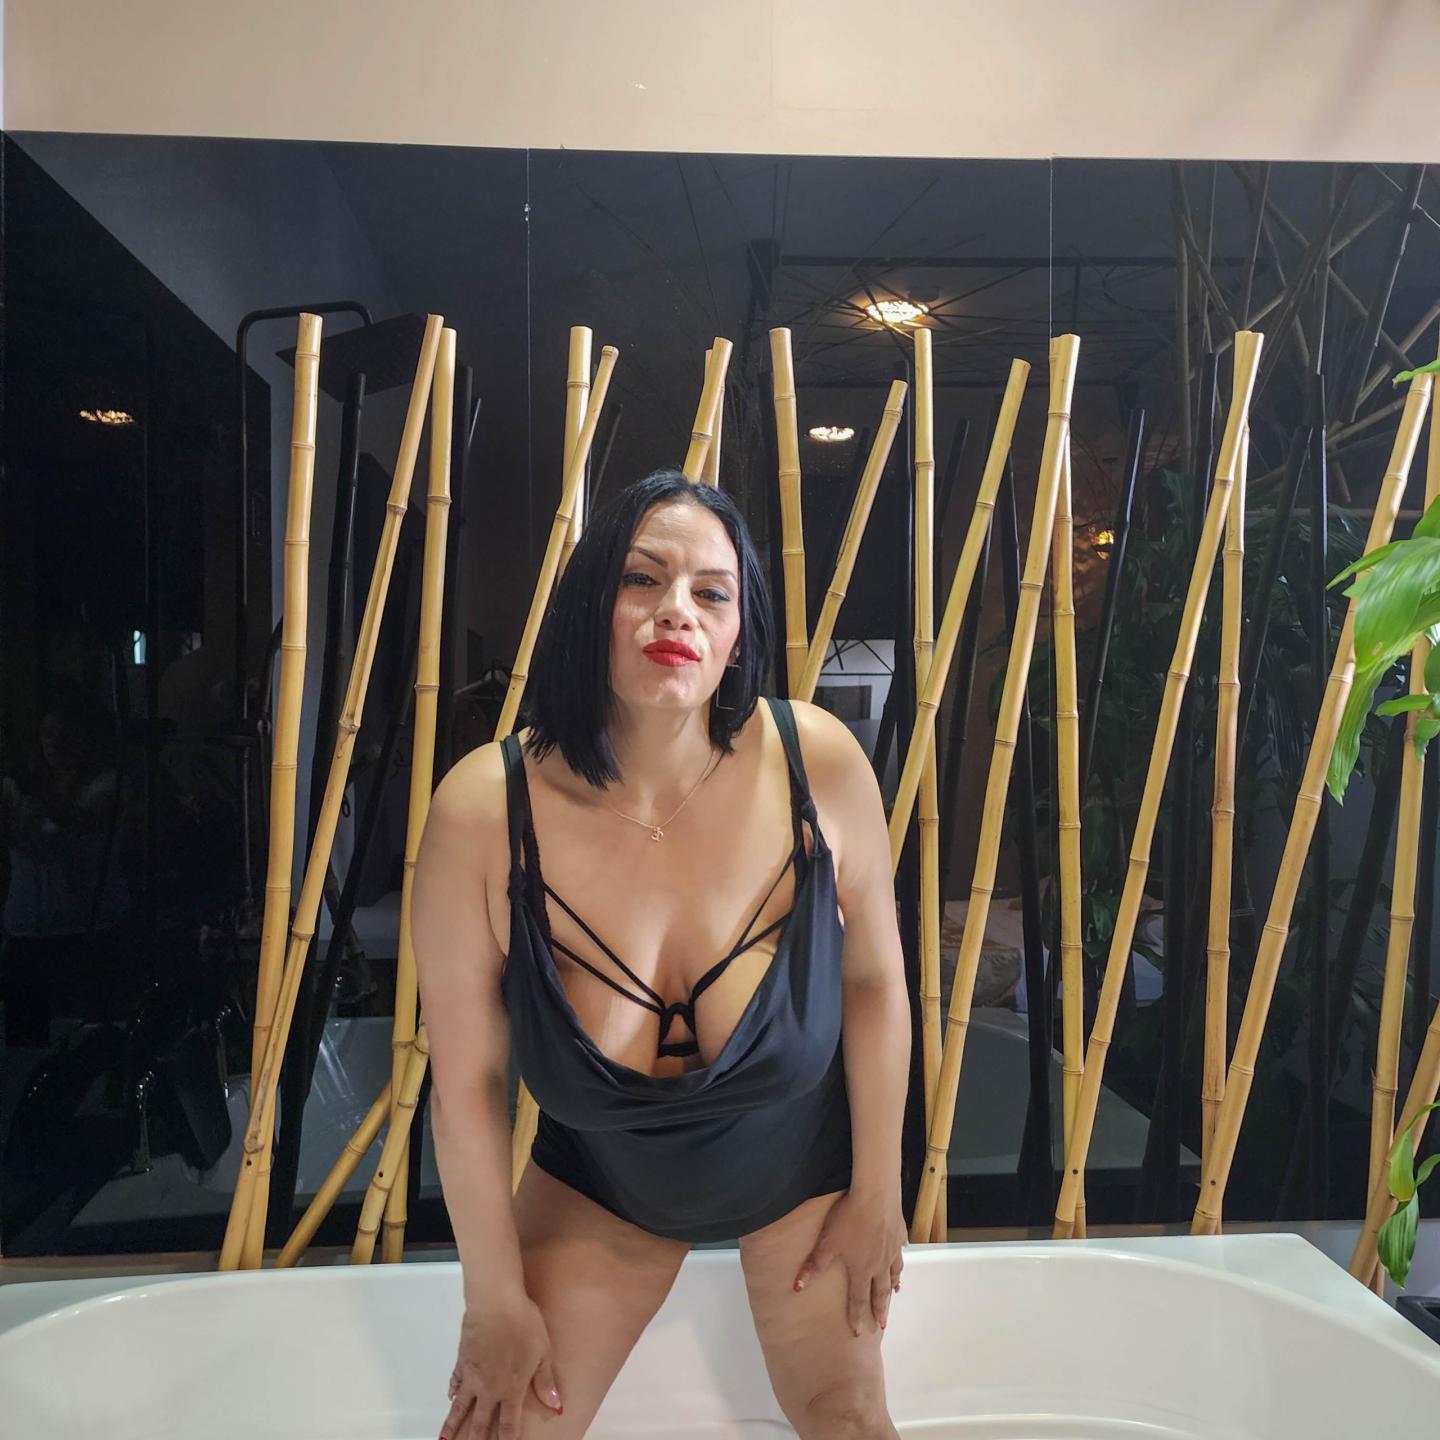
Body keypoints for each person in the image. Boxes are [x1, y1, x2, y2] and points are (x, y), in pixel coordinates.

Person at [414, 470, 911, 1439]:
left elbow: (875, 980)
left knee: (851, 1420)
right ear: (590, 607)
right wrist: (492, 1301)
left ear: (738, 636)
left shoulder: (817, 763)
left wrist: (877, 1189)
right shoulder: (484, 812)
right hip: (602, 1187)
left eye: (711, 592)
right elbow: (466, 1086)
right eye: (641, 579)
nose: (676, 609)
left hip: (801, 1173)